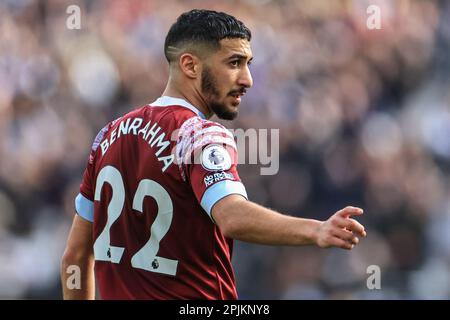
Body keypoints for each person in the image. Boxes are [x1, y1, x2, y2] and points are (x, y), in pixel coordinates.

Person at [60, 9, 367, 300]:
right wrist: (316, 230)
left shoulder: (107, 137)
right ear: (190, 65)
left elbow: (75, 257)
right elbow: (232, 217)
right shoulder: (198, 133)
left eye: (247, 64)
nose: (247, 79)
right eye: (234, 63)